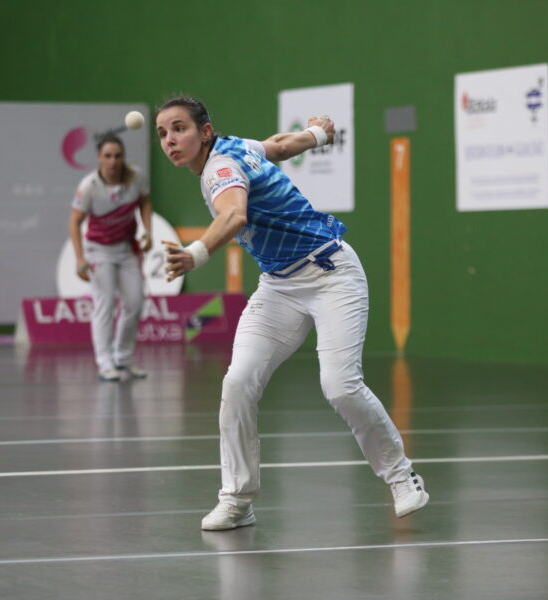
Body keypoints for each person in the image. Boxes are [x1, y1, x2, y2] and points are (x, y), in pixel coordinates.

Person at [155, 96, 429, 530]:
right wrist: (317, 135)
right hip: (279, 286)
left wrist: (196, 253)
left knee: (340, 386)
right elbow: (279, 145)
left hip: (331, 274)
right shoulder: (237, 146)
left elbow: (234, 214)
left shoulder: (219, 168)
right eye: (163, 133)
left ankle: (401, 477)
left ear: (205, 132)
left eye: (179, 128)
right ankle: (237, 500)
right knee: (239, 382)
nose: (170, 140)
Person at [69, 133, 153, 382]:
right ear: (99, 158)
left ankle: (123, 358)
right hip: (98, 251)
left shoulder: (136, 178)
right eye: (107, 156)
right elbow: (74, 222)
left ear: (123, 157)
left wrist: (147, 231)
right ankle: (105, 363)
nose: (113, 161)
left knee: (135, 303)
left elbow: (145, 203)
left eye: (118, 156)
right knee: (104, 305)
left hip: (126, 250)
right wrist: (80, 259)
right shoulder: (89, 186)